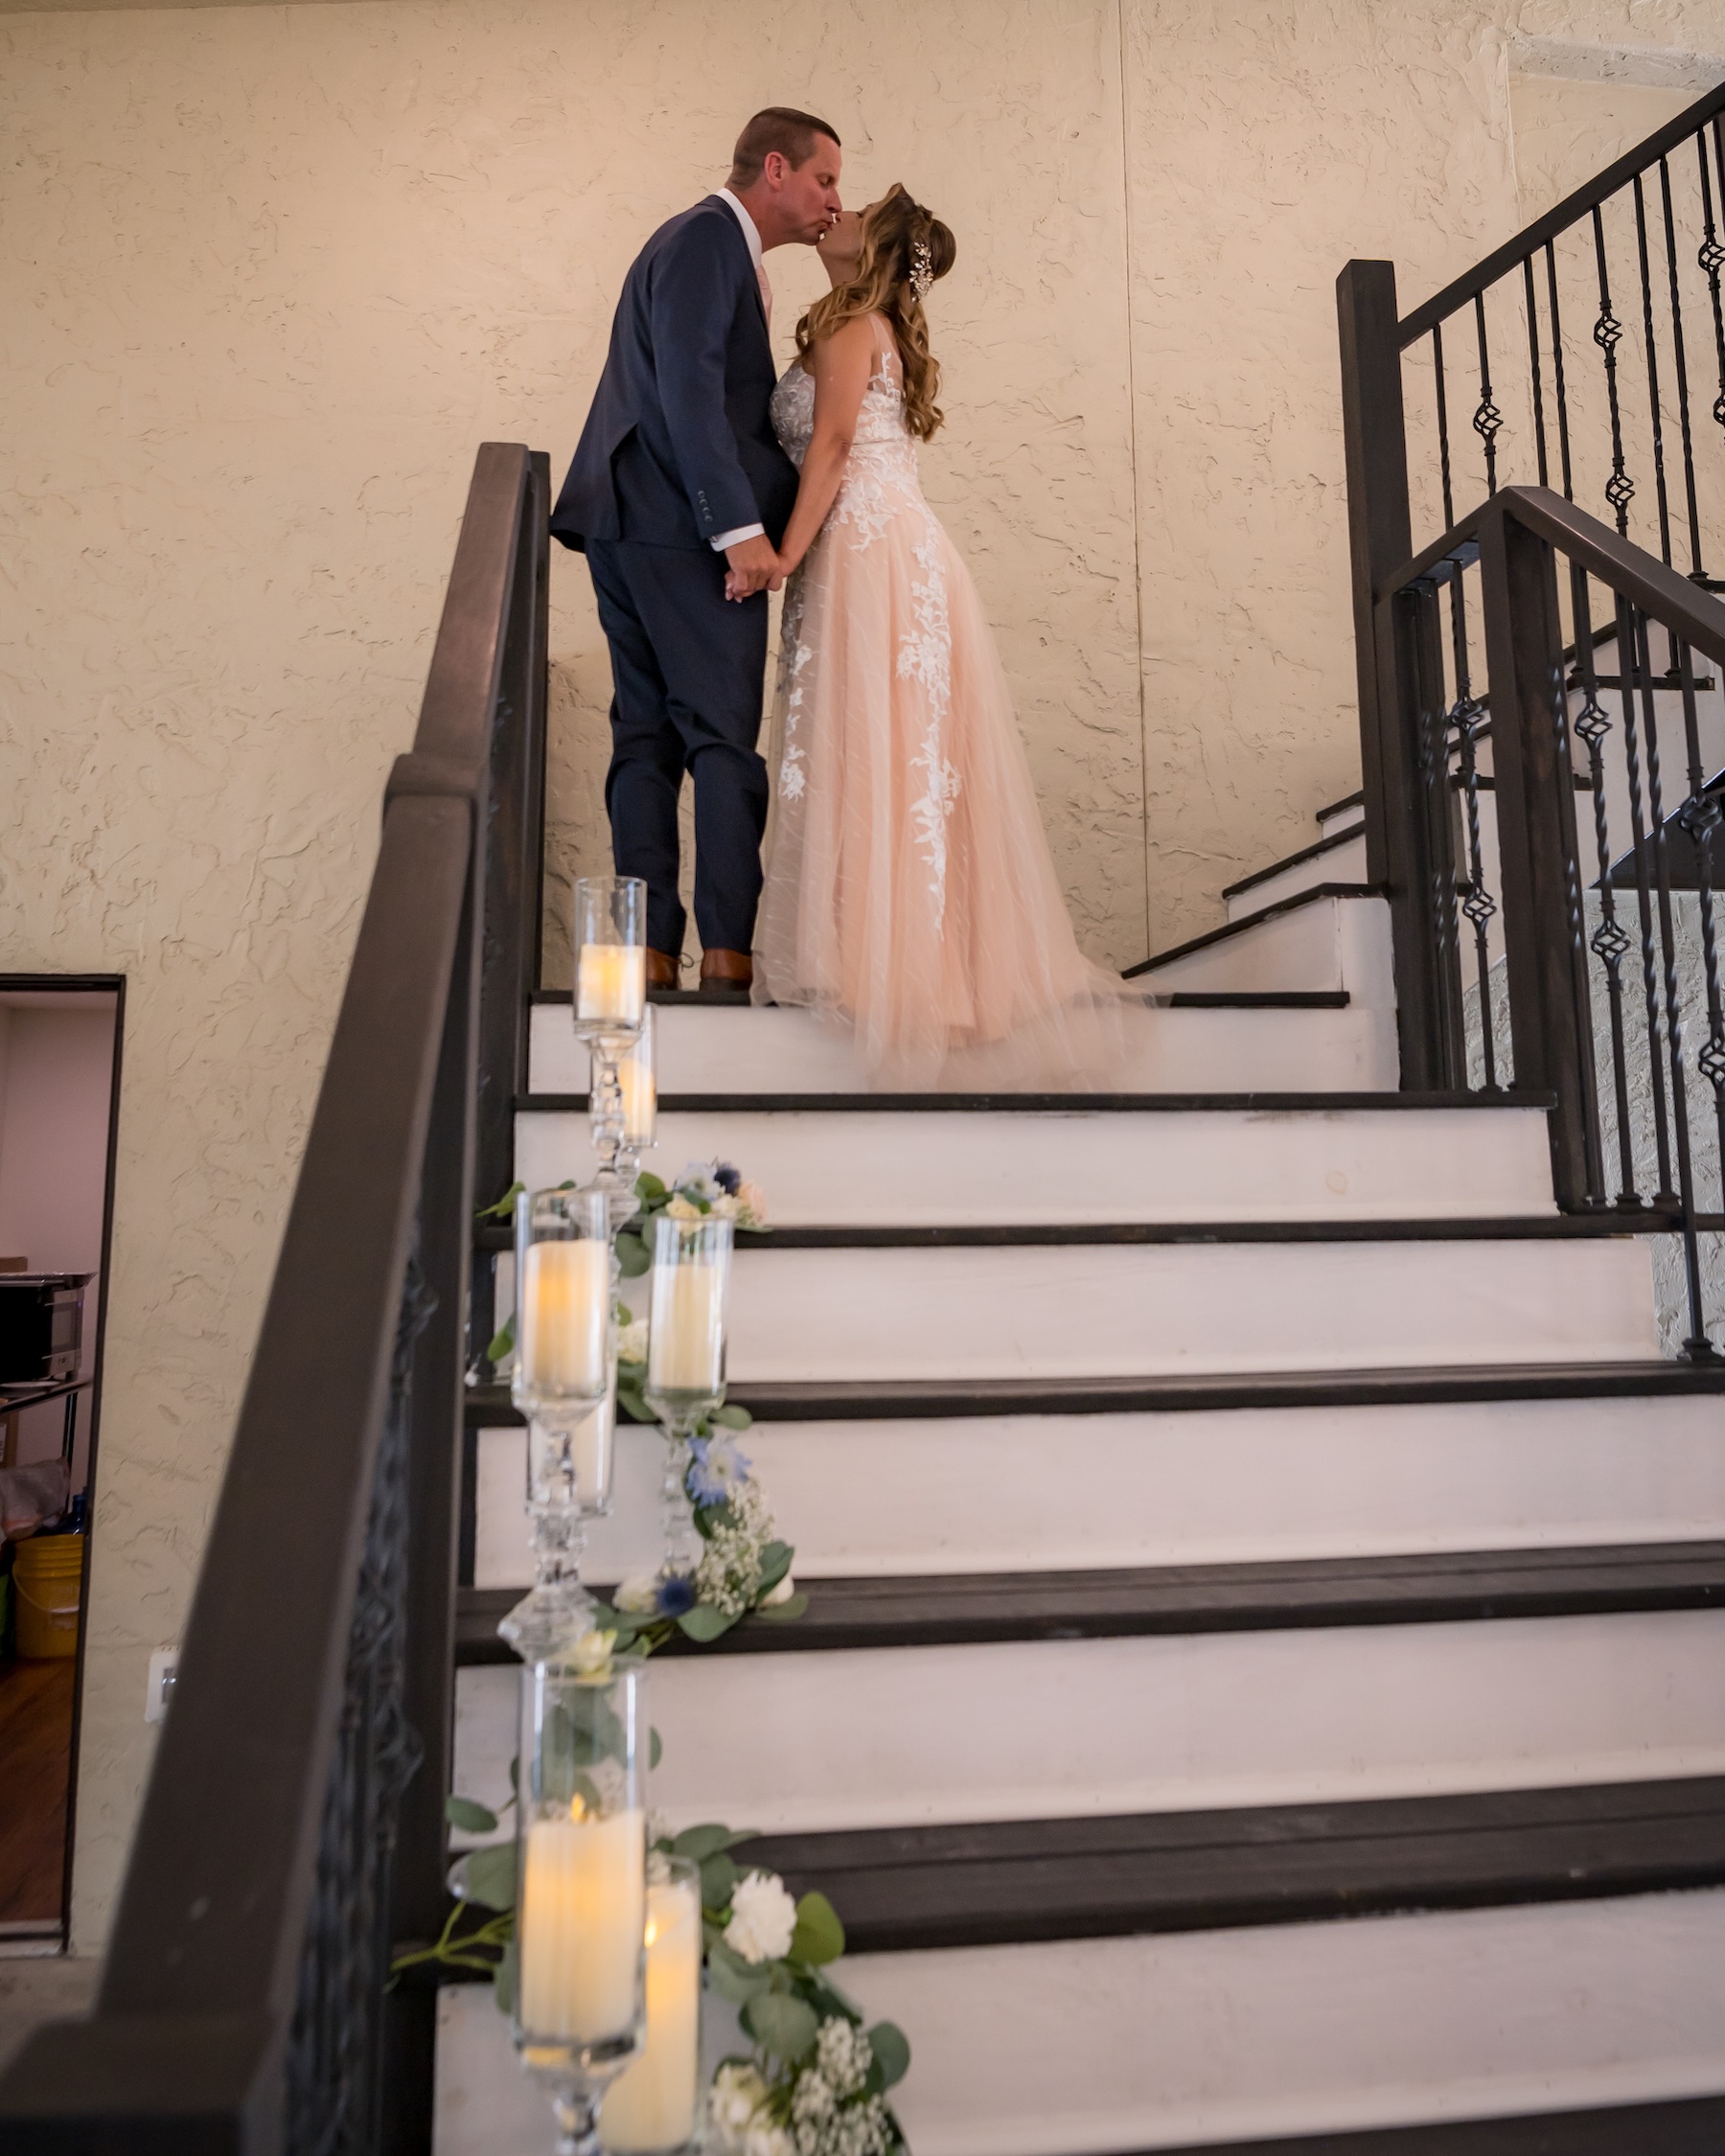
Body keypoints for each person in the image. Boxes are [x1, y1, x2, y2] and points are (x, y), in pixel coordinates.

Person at [753, 184, 1125, 1086]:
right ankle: (910, 968)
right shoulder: (865, 325)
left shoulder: (853, 329)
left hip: (866, 548)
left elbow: (835, 446)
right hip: (890, 546)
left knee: (879, 748)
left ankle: (876, 966)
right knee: (894, 753)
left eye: (857, 212)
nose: (837, 214)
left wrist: (780, 558)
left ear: (872, 249)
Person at [550, 109, 843, 995]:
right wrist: (739, 529)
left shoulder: (706, 244)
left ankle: (645, 952)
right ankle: (726, 955)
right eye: (827, 179)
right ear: (779, 169)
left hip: (629, 519)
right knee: (720, 738)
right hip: (680, 527)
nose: (836, 200)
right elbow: (687, 389)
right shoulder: (710, 238)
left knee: (644, 736)